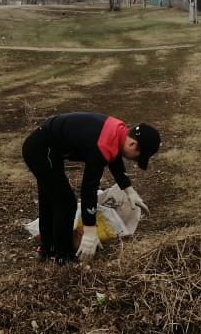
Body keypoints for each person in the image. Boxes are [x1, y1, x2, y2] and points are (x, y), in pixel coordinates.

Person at [22, 112, 161, 264]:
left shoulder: (117, 131)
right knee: (65, 203)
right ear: (132, 144)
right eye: (138, 157)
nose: (135, 160)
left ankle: (48, 248)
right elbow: (89, 189)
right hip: (40, 150)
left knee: (51, 197)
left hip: (47, 149)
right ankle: (63, 257)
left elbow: (114, 158)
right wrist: (89, 231)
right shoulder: (101, 146)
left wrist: (129, 190)